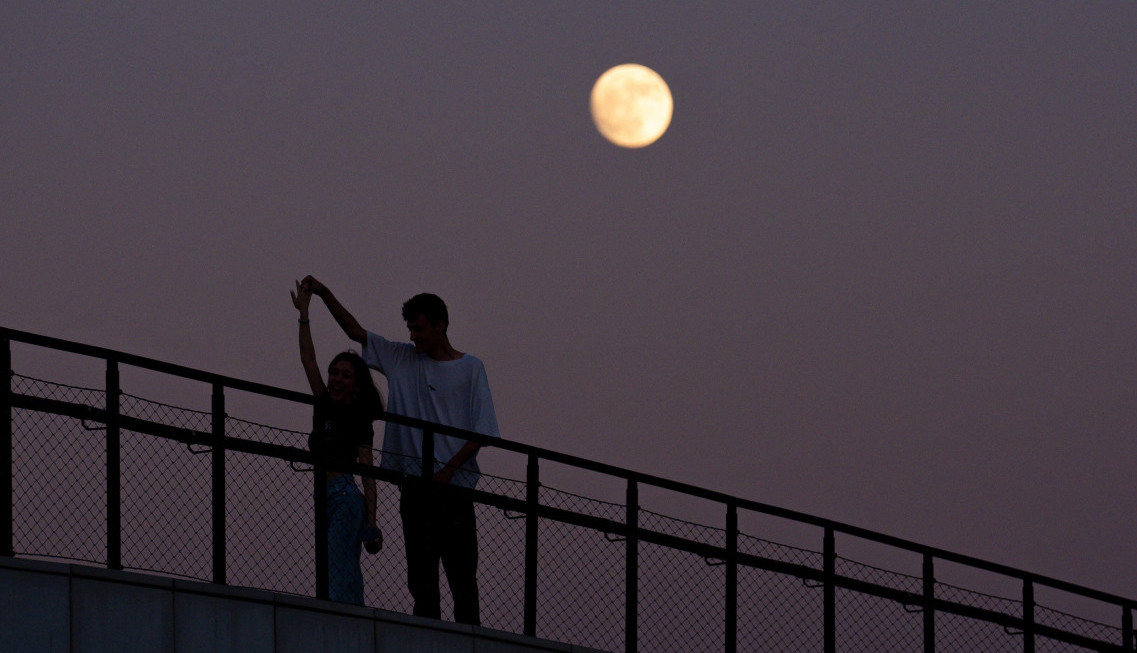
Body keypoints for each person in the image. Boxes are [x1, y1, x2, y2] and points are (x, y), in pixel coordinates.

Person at [301, 275, 499, 626]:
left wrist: (449, 470)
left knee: (461, 577)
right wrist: (324, 294)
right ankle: (427, 641)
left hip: (453, 491)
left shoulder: (471, 368)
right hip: (414, 486)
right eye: (410, 329)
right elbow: (356, 332)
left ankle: (469, 641)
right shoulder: (402, 358)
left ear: (440, 326)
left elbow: (482, 432)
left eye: (419, 329)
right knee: (422, 581)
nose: (413, 336)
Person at [291, 280, 384, 605]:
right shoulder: (324, 404)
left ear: (356, 385)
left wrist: (372, 521)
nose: (336, 378)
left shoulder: (358, 419)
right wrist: (304, 314)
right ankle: (340, 615)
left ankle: (345, 618)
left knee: (339, 561)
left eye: (345, 374)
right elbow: (308, 360)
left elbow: (368, 473)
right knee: (331, 562)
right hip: (322, 495)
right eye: (335, 372)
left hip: (345, 497)